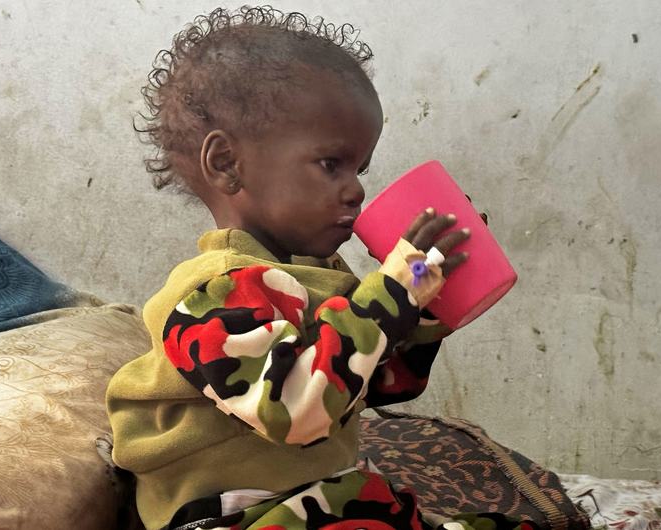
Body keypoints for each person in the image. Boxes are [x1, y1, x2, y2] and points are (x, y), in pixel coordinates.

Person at [105, 6, 530, 529]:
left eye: (360, 168)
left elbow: (373, 384)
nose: (356, 189)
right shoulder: (211, 293)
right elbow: (297, 411)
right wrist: (395, 294)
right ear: (227, 164)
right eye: (331, 164)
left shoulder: (317, 270)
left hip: (311, 502)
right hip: (232, 516)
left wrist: (429, 297)